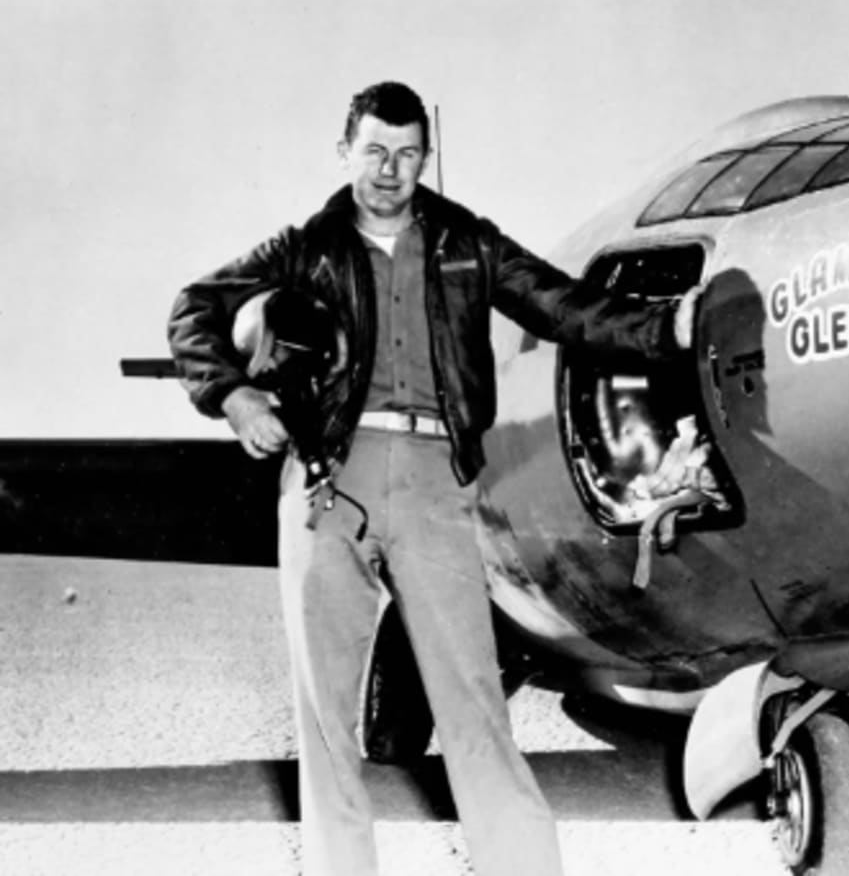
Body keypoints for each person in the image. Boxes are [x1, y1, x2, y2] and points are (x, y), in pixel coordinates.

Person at [167, 81, 697, 876]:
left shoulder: (467, 242)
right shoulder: (303, 247)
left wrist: (669, 328)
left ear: (426, 157)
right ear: (344, 151)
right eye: (375, 151)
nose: (390, 170)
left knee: (475, 707)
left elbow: (565, 308)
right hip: (326, 484)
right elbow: (193, 309)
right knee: (324, 718)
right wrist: (234, 394)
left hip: (434, 485)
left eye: (408, 154)